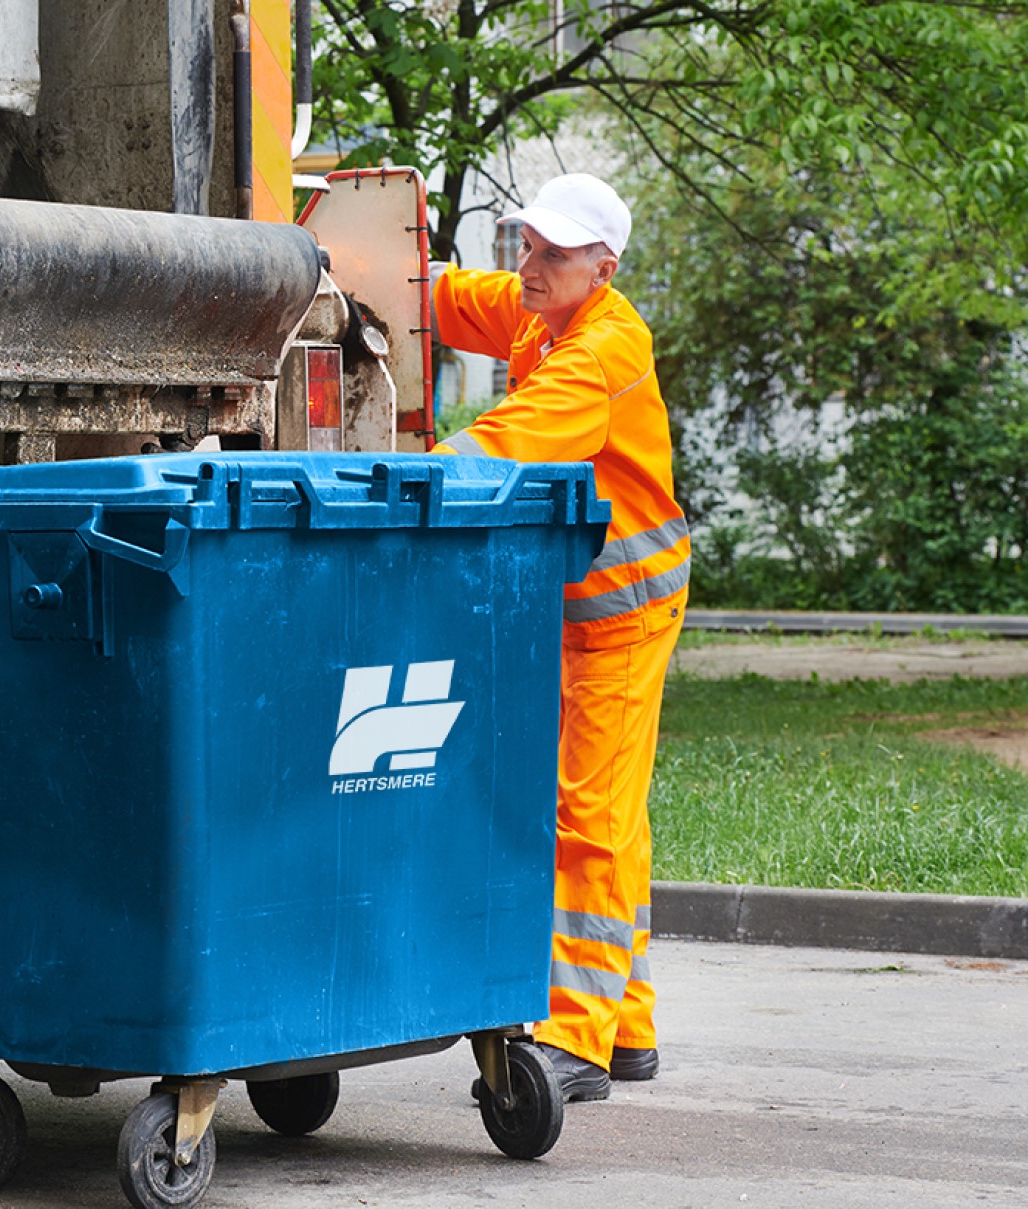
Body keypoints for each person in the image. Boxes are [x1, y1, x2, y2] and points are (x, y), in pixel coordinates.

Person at [430, 173, 688, 1102]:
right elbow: (456, 298)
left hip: (622, 614)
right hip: (581, 611)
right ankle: (627, 1028)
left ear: (603, 267)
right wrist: (361, 267)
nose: (529, 265)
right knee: (609, 814)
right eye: (527, 246)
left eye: (552, 253)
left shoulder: (602, 351)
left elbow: (508, 439)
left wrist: (396, 482)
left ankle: (575, 1039)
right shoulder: (548, 315)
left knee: (588, 819)